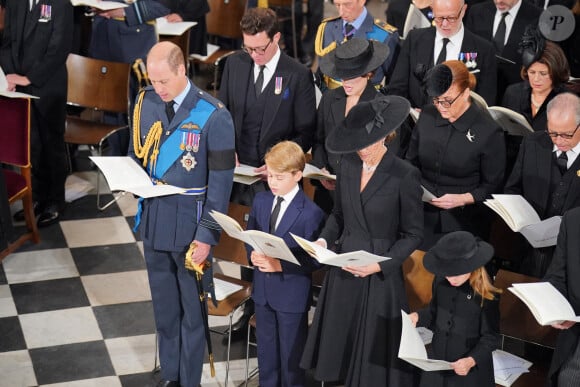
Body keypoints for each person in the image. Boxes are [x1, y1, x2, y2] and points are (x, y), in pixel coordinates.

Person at [129, 41, 235, 387]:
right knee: (164, 310)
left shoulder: (213, 115)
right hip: (156, 221)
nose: (158, 89)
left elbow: (220, 188)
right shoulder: (146, 103)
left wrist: (207, 237)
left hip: (191, 229)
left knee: (192, 315)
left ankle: (189, 381)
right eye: (153, 81)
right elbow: (137, 155)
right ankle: (170, 376)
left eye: (164, 82)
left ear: (182, 70)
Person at [300, 96, 424, 386]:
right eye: (358, 144)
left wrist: (382, 266)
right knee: (337, 353)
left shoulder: (405, 174)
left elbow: (413, 234)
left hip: (379, 275)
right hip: (343, 271)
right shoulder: (347, 166)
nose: (363, 150)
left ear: (385, 136)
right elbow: (338, 215)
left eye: (368, 143)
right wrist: (323, 241)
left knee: (370, 363)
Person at [246, 141, 325, 387]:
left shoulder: (311, 213)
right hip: (263, 292)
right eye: (270, 175)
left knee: (291, 359)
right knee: (266, 355)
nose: (272, 182)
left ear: (298, 175)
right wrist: (252, 254)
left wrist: (281, 266)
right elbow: (251, 233)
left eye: (279, 177)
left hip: (291, 294)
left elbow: (314, 259)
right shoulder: (261, 201)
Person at [218, 6, 316, 206]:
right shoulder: (234, 64)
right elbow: (220, 116)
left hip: (274, 183)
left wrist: (277, 165)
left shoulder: (298, 75)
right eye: (248, 48)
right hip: (233, 178)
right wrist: (226, 149)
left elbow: (305, 134)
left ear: (276, 37)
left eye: (260, 48)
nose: (254, 55)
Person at [406, 61, 506, 249]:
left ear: (466, 93)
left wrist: (463, 198)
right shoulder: (427, 115)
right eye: (436, 100)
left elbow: (493, 186)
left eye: (447, 100)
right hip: (420, 213)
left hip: (462, 220)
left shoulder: (489, 131)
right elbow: (411, 162)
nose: (441, 106)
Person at [1, 0, 73, 227]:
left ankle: (56, 201)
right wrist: (9, 75)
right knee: (32, 147)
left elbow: (59, 48)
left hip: (48, 85)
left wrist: (30, 78)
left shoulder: (60, 3)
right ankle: (39, 198)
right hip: (19, 85)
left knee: (51, 144)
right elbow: (8, 41)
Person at [409, 231, 501, 387]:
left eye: (457, 273)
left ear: (472, 265)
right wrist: (417, 316)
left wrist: (471, 360)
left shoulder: (486, 295)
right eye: (447, 274)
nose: (451, 278)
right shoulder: (440, 282)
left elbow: (491, 338)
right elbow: (434, 313)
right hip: (438, 364)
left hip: (468, 370)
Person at [504, 92, 580, 277]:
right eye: (553, 133)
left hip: (572, 256)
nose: (559, 140)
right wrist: (519, 217)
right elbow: (512, 188)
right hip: (528, 249)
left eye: (566, 135)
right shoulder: (533, 143)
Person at [311, 37, 390, 213]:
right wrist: (321, 168)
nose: (345, 82)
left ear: (368, 73)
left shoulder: (382, 106)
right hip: (328, 195)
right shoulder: (330, 98)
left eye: (351, 77)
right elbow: (318, 140)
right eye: (342, 76)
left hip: (363, 197)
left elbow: (388, 157)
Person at [387, 0, 498, 109]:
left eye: (451, 18)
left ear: (463, 10)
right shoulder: (415, 39)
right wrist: (410, 113)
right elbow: (397, 87)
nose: (444, 24)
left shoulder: (484, 50)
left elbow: (484, 103)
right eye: (439, 18)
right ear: (432, 11)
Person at [465, 0, 542, 101]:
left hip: (515, 96)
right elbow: (468, 51)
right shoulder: (477, 11)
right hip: (479, 92)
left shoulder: (538, 17)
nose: (499, 1)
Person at [315, 0, 400, 88]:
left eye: (347, 5)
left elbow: (395, 83)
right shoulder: (327, 27)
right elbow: (322, 70)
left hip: (367, 99)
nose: (341, 12)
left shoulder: (385, 35)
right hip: (330, 97)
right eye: (337, 5)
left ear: (362, 1)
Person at [543, 206, 580, 387]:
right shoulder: (573, 219)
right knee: (566, 380)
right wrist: (555, 308)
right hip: (574, 343)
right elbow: (557, 275)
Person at [502, 39, 571, 132]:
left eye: (543, 73)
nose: (536, 79)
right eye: (532, 72)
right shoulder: (513, 93)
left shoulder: (568, 100)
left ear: (556, 72)